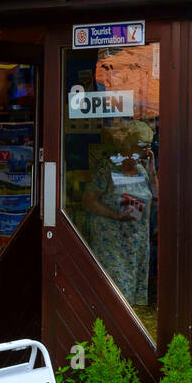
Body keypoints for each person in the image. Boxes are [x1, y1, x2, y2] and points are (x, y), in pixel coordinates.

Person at [81, 118, 157, 309]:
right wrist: (115, 215)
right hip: (112, 243)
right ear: (128, 145)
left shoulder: (142, 169)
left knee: (133, 297)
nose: (147, 151)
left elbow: (156, 196)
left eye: (149, 146)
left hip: (136, 243)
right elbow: (88, 201)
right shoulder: (107, 168)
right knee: (117, 294)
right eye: (143, 146)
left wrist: (152, 170)